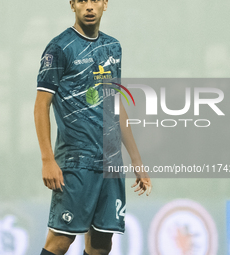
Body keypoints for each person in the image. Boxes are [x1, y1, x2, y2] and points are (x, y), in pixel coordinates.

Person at [34, 0, 152, 254]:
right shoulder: (59, 48)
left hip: (110, 162)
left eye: (95, 0)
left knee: (101, 243)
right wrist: (47, 159)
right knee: (61, 240)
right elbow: (41, 106)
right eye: (83, 0)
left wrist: (136, 159)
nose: (89, 6)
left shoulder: (113, 47)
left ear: (105, 4)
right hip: (77, 161)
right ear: (73, 5)